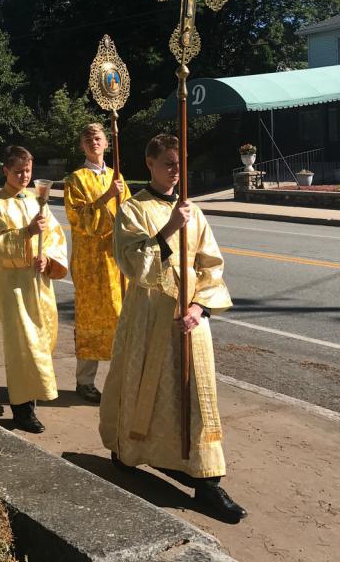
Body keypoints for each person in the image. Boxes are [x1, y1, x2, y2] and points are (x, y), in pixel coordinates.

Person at [99, 134, 246, 522]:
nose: (176, 170)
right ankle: (130, 452)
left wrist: (200, 307)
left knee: (196, 395)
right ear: (149, 163)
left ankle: (207, 479)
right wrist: (166, 231)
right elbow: (132, 265)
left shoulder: (193, 211)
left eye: (180, 163)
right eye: (168, 163)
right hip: (149, 318)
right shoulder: (133, 209)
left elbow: (211, 264)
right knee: (147, 391)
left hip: (190, 321)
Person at [0, 146, 68, 433]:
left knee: (42, 340)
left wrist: (49, 257)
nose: (24, 176)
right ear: (5, 170)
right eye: (18, 171)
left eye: (28, 171)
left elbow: (55, 235)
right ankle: (22, 409)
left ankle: (31, 398)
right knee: (22, 345)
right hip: (14, 287)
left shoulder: (36, 200)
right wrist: (26, 234)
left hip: (39, 284)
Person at [64, 123, 131, 404]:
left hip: (115, 260)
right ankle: (85, 381)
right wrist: (106, 197)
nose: (94, 142)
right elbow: (78, 220)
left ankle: (120, 380)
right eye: (88, 138)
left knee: (120, 318)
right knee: (91, 319)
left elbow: (128, 216)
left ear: (107, 143)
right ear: (82, 145)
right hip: (90, 263)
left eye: (99, 138)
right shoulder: (75, 179)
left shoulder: (118, 178)